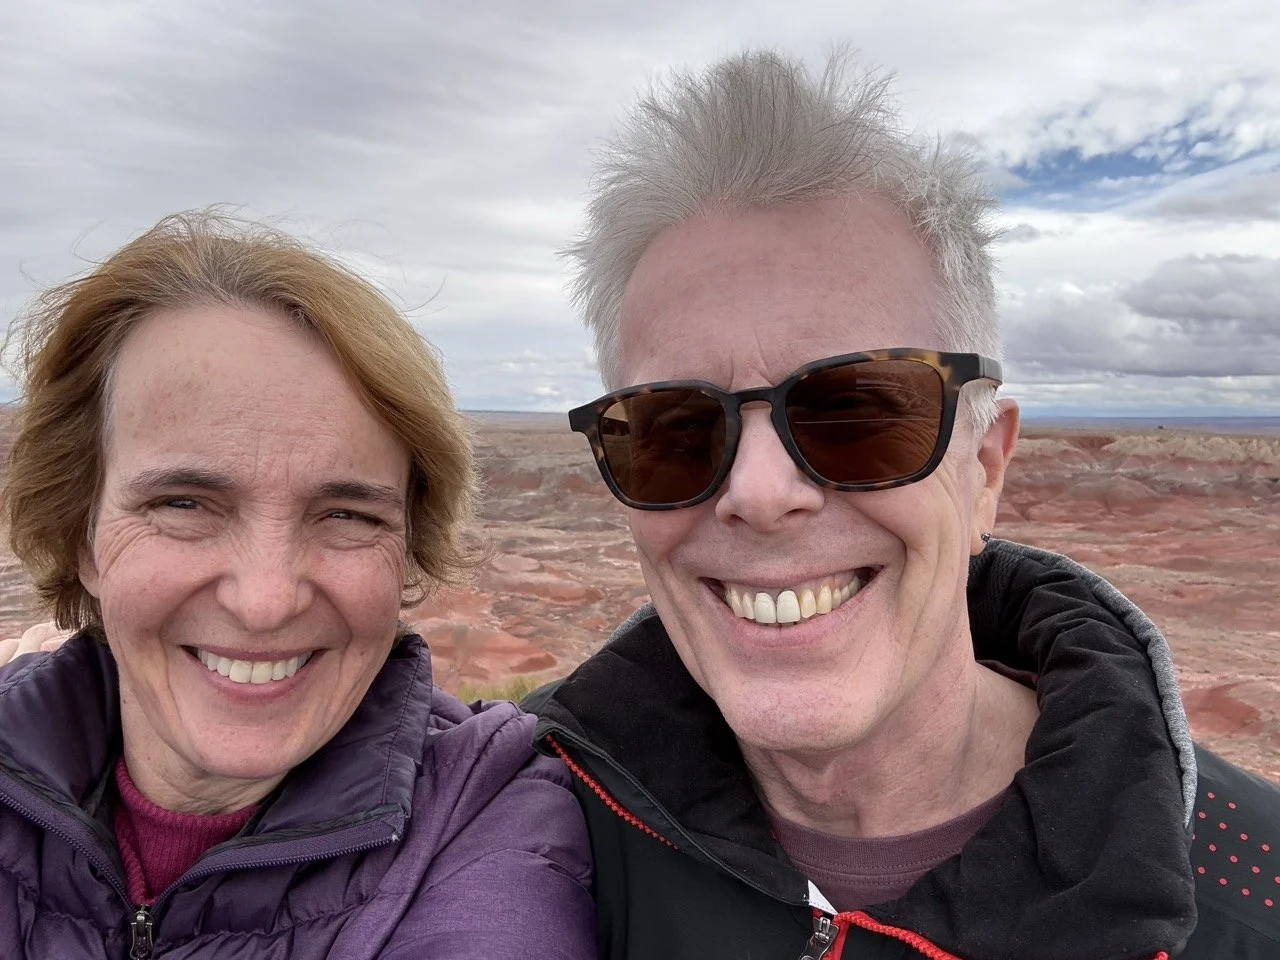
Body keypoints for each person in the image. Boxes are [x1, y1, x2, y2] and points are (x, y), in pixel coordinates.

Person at [524, 50, 1280, 959]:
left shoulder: (1251, 886)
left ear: (985, 470)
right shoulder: (517, 827)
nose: (759, 495)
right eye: (676, 429)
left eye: (854, 413)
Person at [0, 213, 595, 958]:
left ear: (408, 549)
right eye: (183, 504)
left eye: (346, 514)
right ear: (82, 534)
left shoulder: (488, 818)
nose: (266, 601)